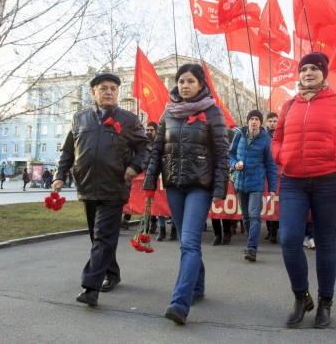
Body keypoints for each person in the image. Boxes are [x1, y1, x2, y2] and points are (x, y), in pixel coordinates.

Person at [271, 52, 336, 329]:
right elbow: (276, 138)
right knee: (289, 239)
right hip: (293, 181)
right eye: (304, 69)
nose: (308, 73)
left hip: (330, 181)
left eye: (314, 68)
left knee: (326, 243)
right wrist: (282, 156)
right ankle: (301, 297)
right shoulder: (289, 105)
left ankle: (325, 302)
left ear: (324, 73)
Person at [53, 72, 151, 306]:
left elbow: (146, 147)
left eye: (113, 89)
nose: (109, 92)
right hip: (87, 186)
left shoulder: (129, 119)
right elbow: (68, 151)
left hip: (114, 186)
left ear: (118, 93)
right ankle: (112, 274)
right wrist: (59, 176)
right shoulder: (80, 118)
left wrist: (134, 167)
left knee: (103, 236)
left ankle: (90, 288)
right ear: (93, 92)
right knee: (98, 237)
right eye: (103, 88)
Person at [143, 63, 229, 325]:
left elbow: (222, 154)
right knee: (186, 241)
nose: (185, 86)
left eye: (191, 81)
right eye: (181, 81)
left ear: (201, 85)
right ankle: (198, 288)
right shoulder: (168, 113)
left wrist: (219, 188)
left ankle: (180, 303)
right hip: (174, 186)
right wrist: (149, 182)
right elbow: (158, 150)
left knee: (190, 242)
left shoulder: (213, 113)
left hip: (199, 187)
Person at [229, 109, 277, 262]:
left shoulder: (266, 140)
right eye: (252, 119)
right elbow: (230, 154)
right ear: (248, 121)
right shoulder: (239, 135)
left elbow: (271, 166)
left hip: (256, 183)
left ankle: (251, 248)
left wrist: (272, 188)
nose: (254, 121)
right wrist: (235, 164)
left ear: (260, 122)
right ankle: (251, 242)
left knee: (255, 215)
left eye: (257, 119)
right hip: (240, 181)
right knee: (245, 216)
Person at [265, 112, 280, 243]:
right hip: (267, 172)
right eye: (270, 121)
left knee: (277, 203)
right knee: (268, 202)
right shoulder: (263, 135)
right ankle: (270, 230)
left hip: (280, 172)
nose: (272, 123)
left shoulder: (281, 134)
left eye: (274, 121)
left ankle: (274, 231)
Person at [145, 121, 159, 234]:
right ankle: (150, 222)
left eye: (151, 130)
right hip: (148, 175)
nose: (149, 132)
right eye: (147, 130)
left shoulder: (159, 142)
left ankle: (156, 223)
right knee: (148, 202)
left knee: (158, 202)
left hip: (158, 177)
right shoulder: (144, 142)